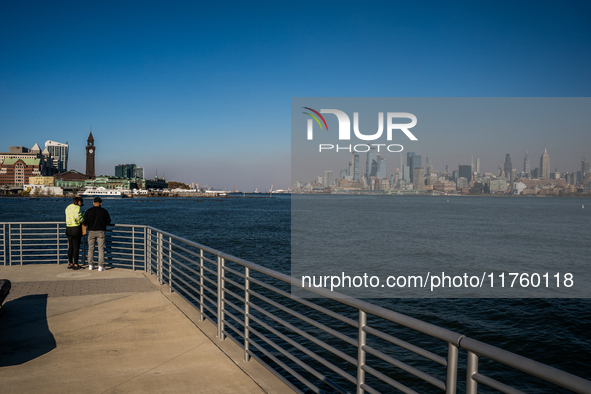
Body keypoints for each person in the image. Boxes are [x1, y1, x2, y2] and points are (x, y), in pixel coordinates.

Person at [84, 197, 111, 271]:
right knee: (101, 249)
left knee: (90, 248)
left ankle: (90, 265)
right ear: (101, 203)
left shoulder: (88, 211)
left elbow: (85, 222)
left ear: (93, 203)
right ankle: (100, 266)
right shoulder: (104, 211)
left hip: (91, 231)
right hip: (101, 231)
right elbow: (108, 221)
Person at [65, 196, 84, 270]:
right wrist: (82, 219)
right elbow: (77, 217)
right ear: (79, 202)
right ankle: (76, 264)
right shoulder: (77, 207)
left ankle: (70, 263)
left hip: (68, 228)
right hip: (75, 228)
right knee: (76, 247)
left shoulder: (68, 207)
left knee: (70, 247)